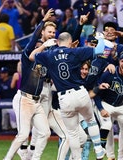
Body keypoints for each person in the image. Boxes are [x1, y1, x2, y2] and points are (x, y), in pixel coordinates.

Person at [32, 30, 108, 159]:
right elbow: (100, 51)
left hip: (64, 98)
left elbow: (32, 56)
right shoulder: (75, 52)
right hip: (80, 93)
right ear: (70, 42)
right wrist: (101, 39)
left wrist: (44, 45)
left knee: (72, 134)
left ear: (57, 42)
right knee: (91, 121)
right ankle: (98, 148)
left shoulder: (49, 54)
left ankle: (76, 158)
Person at [3, 9, 54, 160]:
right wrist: (43, 22)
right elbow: (33, 41)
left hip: (36, 101)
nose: (37, 48)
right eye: (36, 46)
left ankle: (34, 158)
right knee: (23, 134)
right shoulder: (26, 57)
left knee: (45, 133)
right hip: (24, 99)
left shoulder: (44, 62)